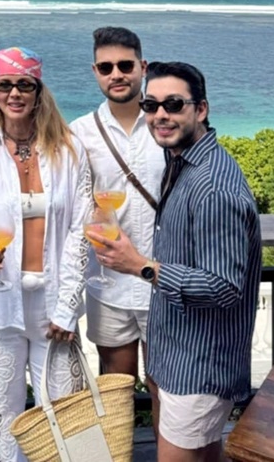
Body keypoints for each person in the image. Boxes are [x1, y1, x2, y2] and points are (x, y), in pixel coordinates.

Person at [90, 61, 262, 462]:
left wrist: (141, 266)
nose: (160, 115)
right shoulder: (181, 163)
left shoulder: (213, 188)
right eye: (151, 105)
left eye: (173, 104)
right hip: (177, 357)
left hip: (197, 368)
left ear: (200, 109)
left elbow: (224, 286)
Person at [0, 47, 93, 462]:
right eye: (5, 85)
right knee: (3, 420)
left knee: (67, 421)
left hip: (53, 305)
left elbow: (81, 228)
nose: (14, 93)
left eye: (24, 85)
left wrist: (68, 304)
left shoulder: (68, 150)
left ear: (38, 92)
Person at [70, 26, 163, 424]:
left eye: (126, 65)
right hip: (107, 282)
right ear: (95, 72)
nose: (117, 74)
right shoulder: (79, 133)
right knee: (115, 394)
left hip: (162, 280)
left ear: (143, 67)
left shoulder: (165, 121)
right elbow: (72, 204)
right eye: (106, 67)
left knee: (166, 391)